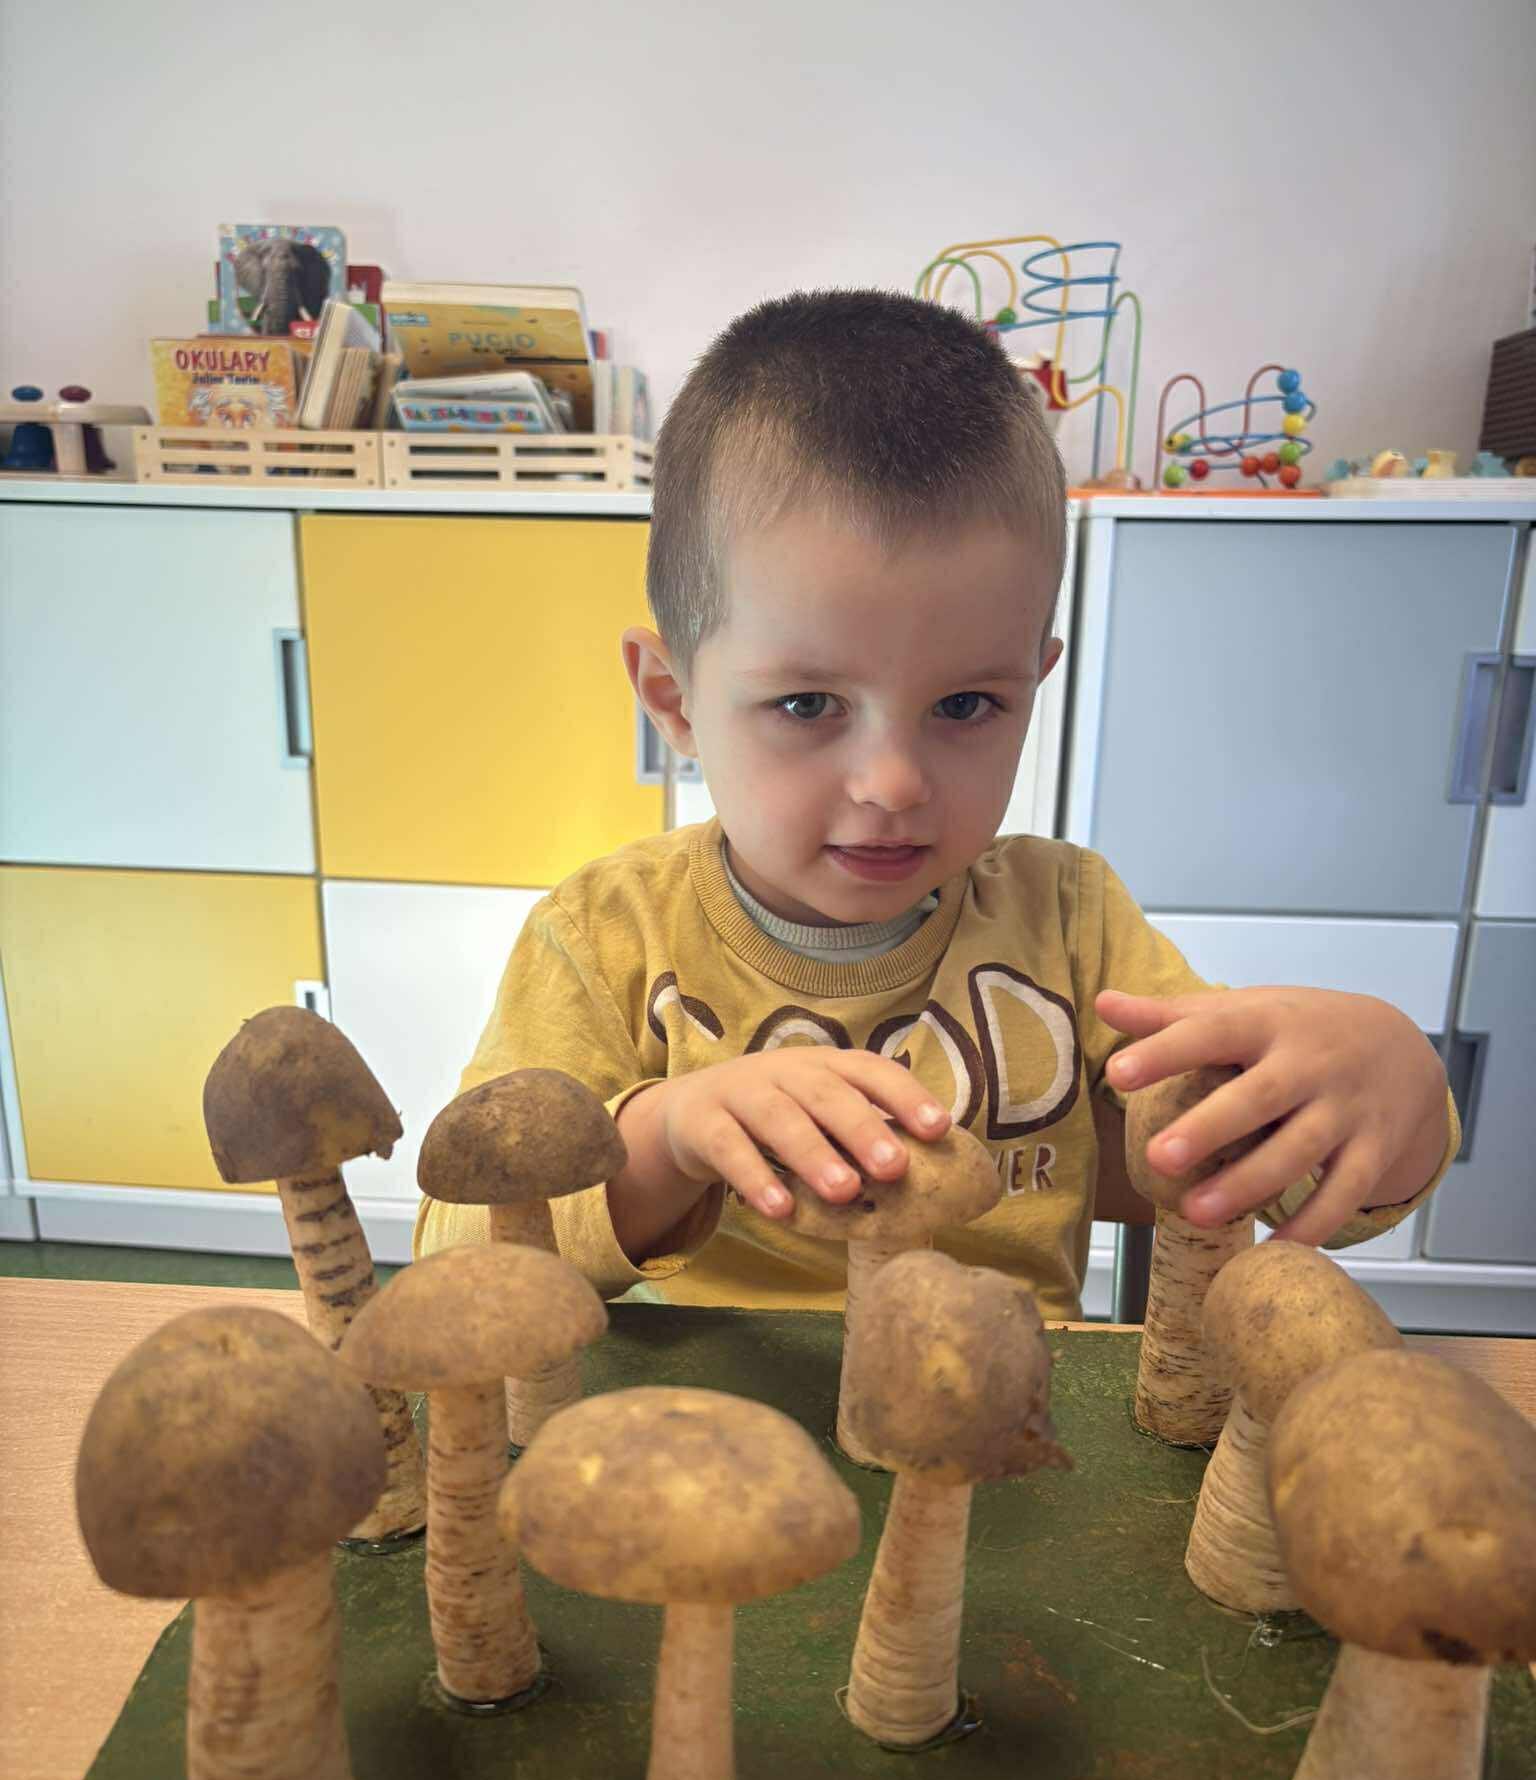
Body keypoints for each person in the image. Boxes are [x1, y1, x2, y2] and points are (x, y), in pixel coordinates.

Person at [415, 290, 1454, 1318]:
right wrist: (668, 1134)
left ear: (1034, 684)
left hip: (1007, 1405)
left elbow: (1279, 1175)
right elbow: (460, 1251)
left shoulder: (1072, 920)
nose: (894, 783)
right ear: (674, 700)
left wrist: (1396, 1085)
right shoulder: (605, 934)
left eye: (964, 705)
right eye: (808, 704)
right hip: (694, 1418)